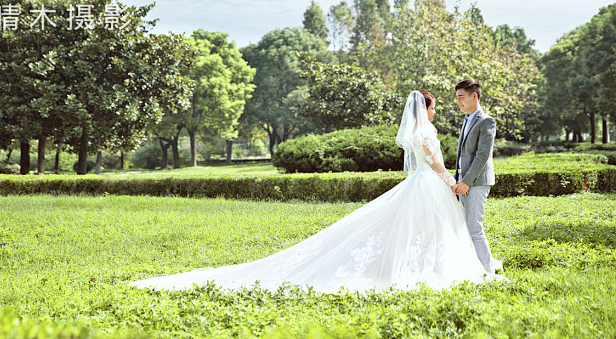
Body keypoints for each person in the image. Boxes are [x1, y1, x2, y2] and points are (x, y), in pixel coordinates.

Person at [130, 91, 502, 293]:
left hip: (422, 185)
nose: (440, 111)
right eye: (437, 106)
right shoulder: (427, 133)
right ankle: (435, 268)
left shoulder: (426, 130)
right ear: (428, 108)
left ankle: (428, 264)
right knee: (431, 228)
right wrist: (448, 181)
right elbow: (436, 164)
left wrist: (449, 178)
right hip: (431, 185)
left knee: (417, 228)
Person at [451, 80, 503, 274]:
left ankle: (488, 270)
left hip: (477, 182)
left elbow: (482, 155)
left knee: (474, 227)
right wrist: (458, 179)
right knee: (466, 227)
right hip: (464, 182)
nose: (458, 101)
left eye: (461, 97)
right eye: (456, 98)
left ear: (474, 96)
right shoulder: (466, 119)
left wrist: (466, 181)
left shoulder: (486, 121)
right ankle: (475, 267)